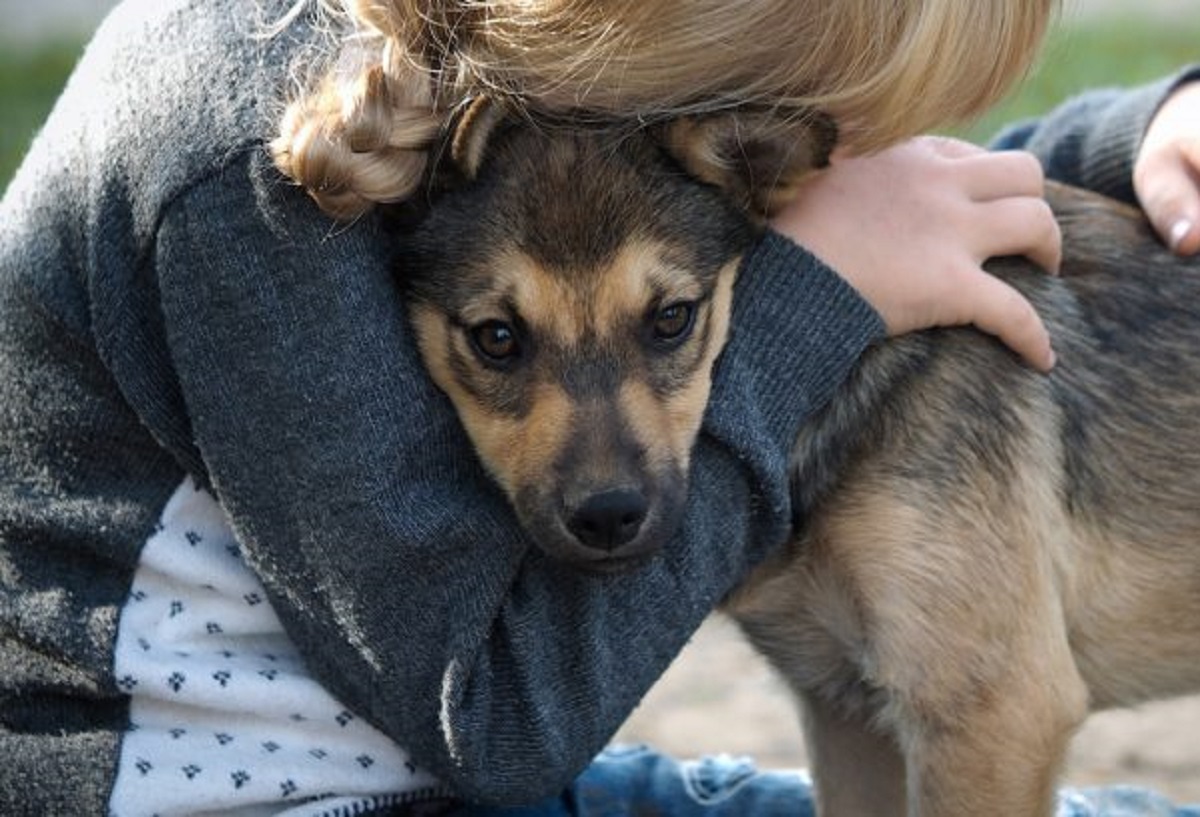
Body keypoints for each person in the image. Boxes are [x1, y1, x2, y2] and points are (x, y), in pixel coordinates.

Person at [0, 0, 1197, 813]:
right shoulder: (254, 173)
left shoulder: (518, 95)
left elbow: (875, 209)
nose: (604, 460)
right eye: (499, 344)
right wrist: (807, 307)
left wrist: (1132, 132)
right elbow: (497, 727)